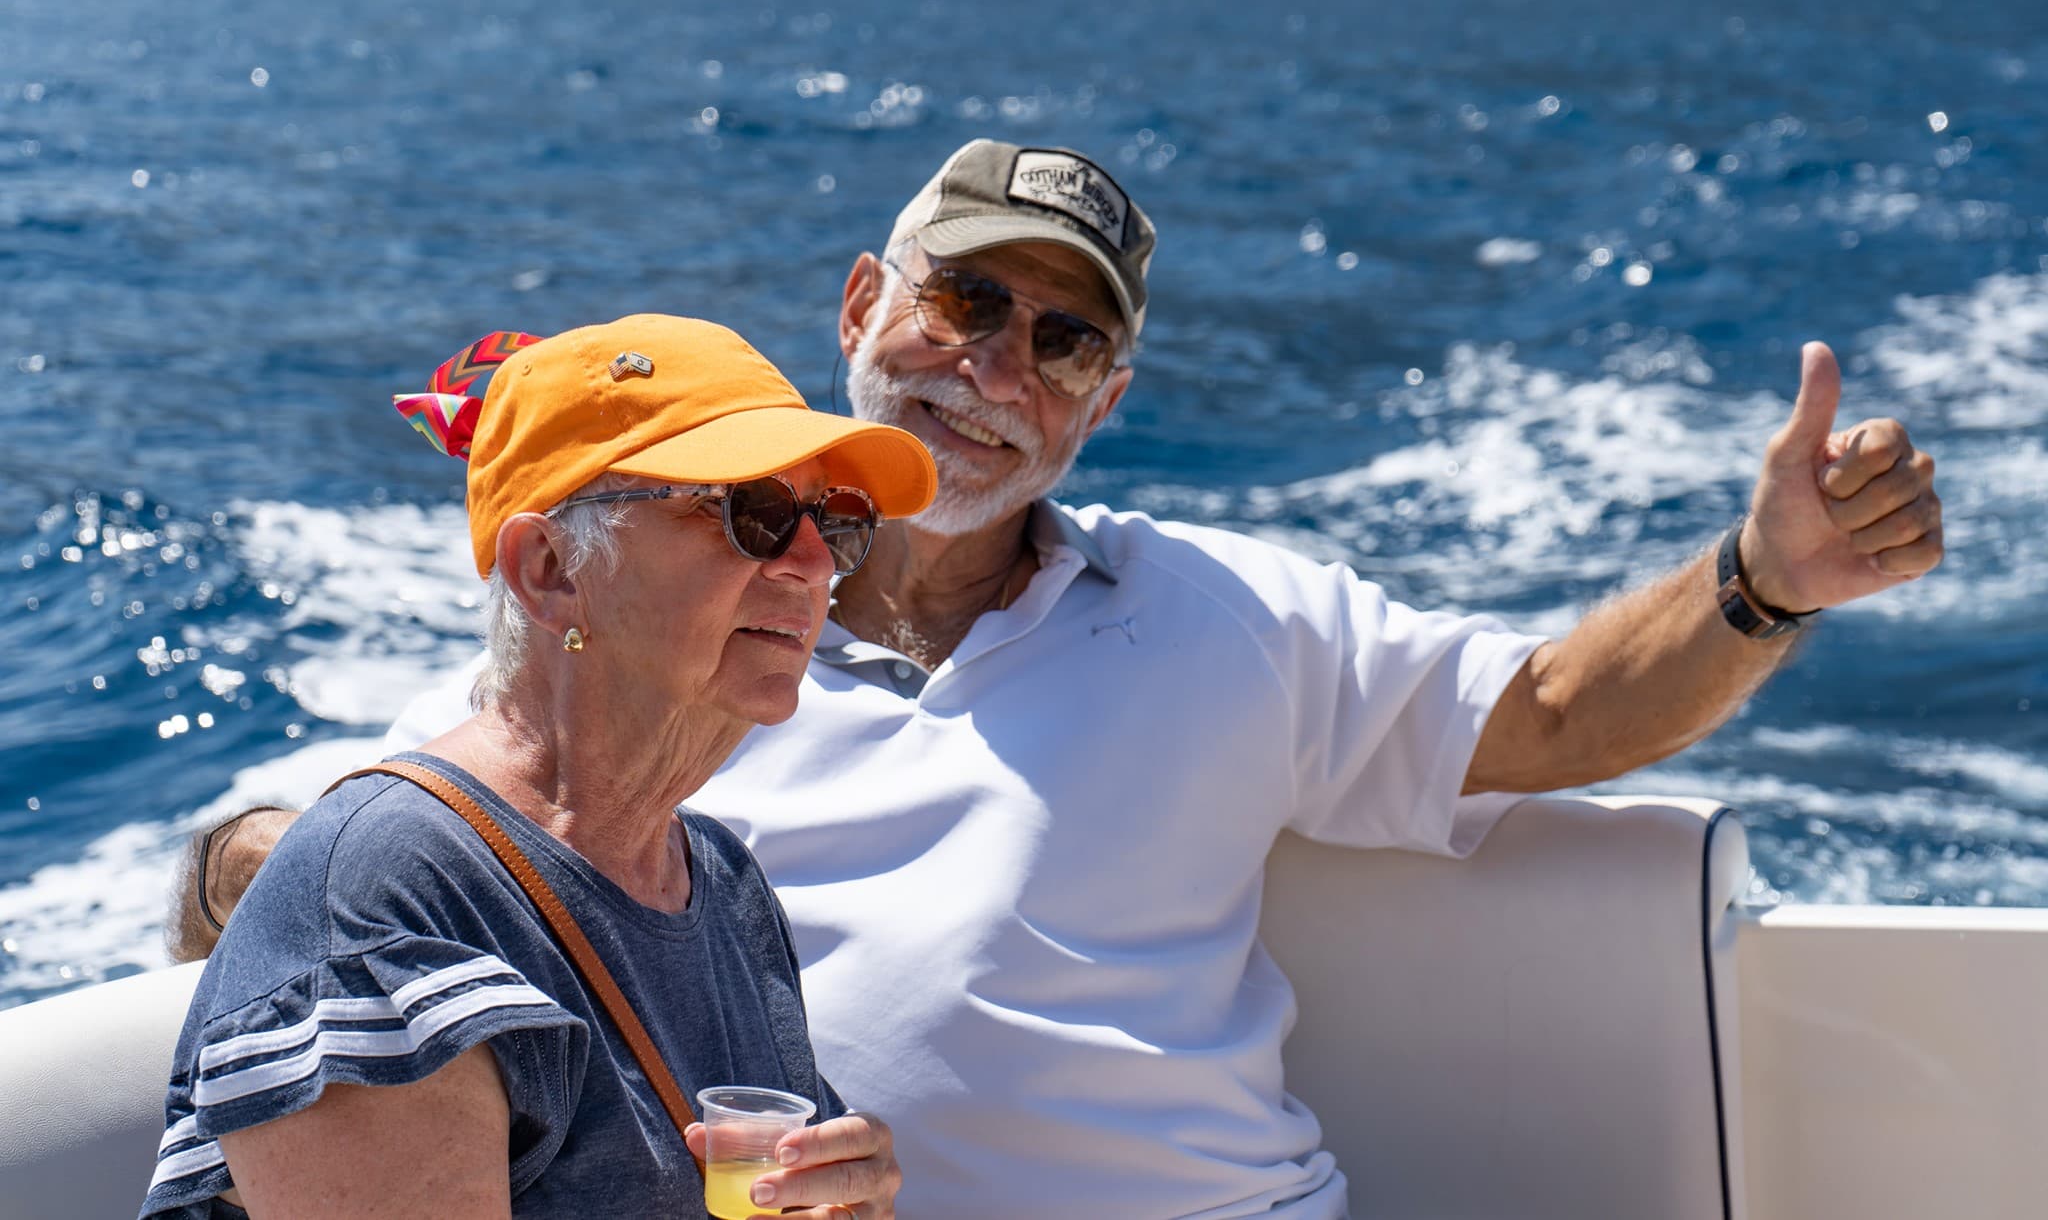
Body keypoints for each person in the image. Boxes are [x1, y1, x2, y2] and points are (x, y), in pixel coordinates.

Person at [182, 140, 1943, 1217]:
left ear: (1101, 402)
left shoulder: (1226, 617)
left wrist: (1761, 583)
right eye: (959, 304)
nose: (993, 367)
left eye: (1062, 338)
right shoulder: (662, 647)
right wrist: (251, 865)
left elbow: (1546, 716)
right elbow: (413, 840)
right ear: (865, 302)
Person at [145, 315, 934, 1219]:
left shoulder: (720, 879)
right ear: (551, 567)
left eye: (835, 521)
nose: (812, 562)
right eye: (748, 513)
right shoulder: (390, 903)